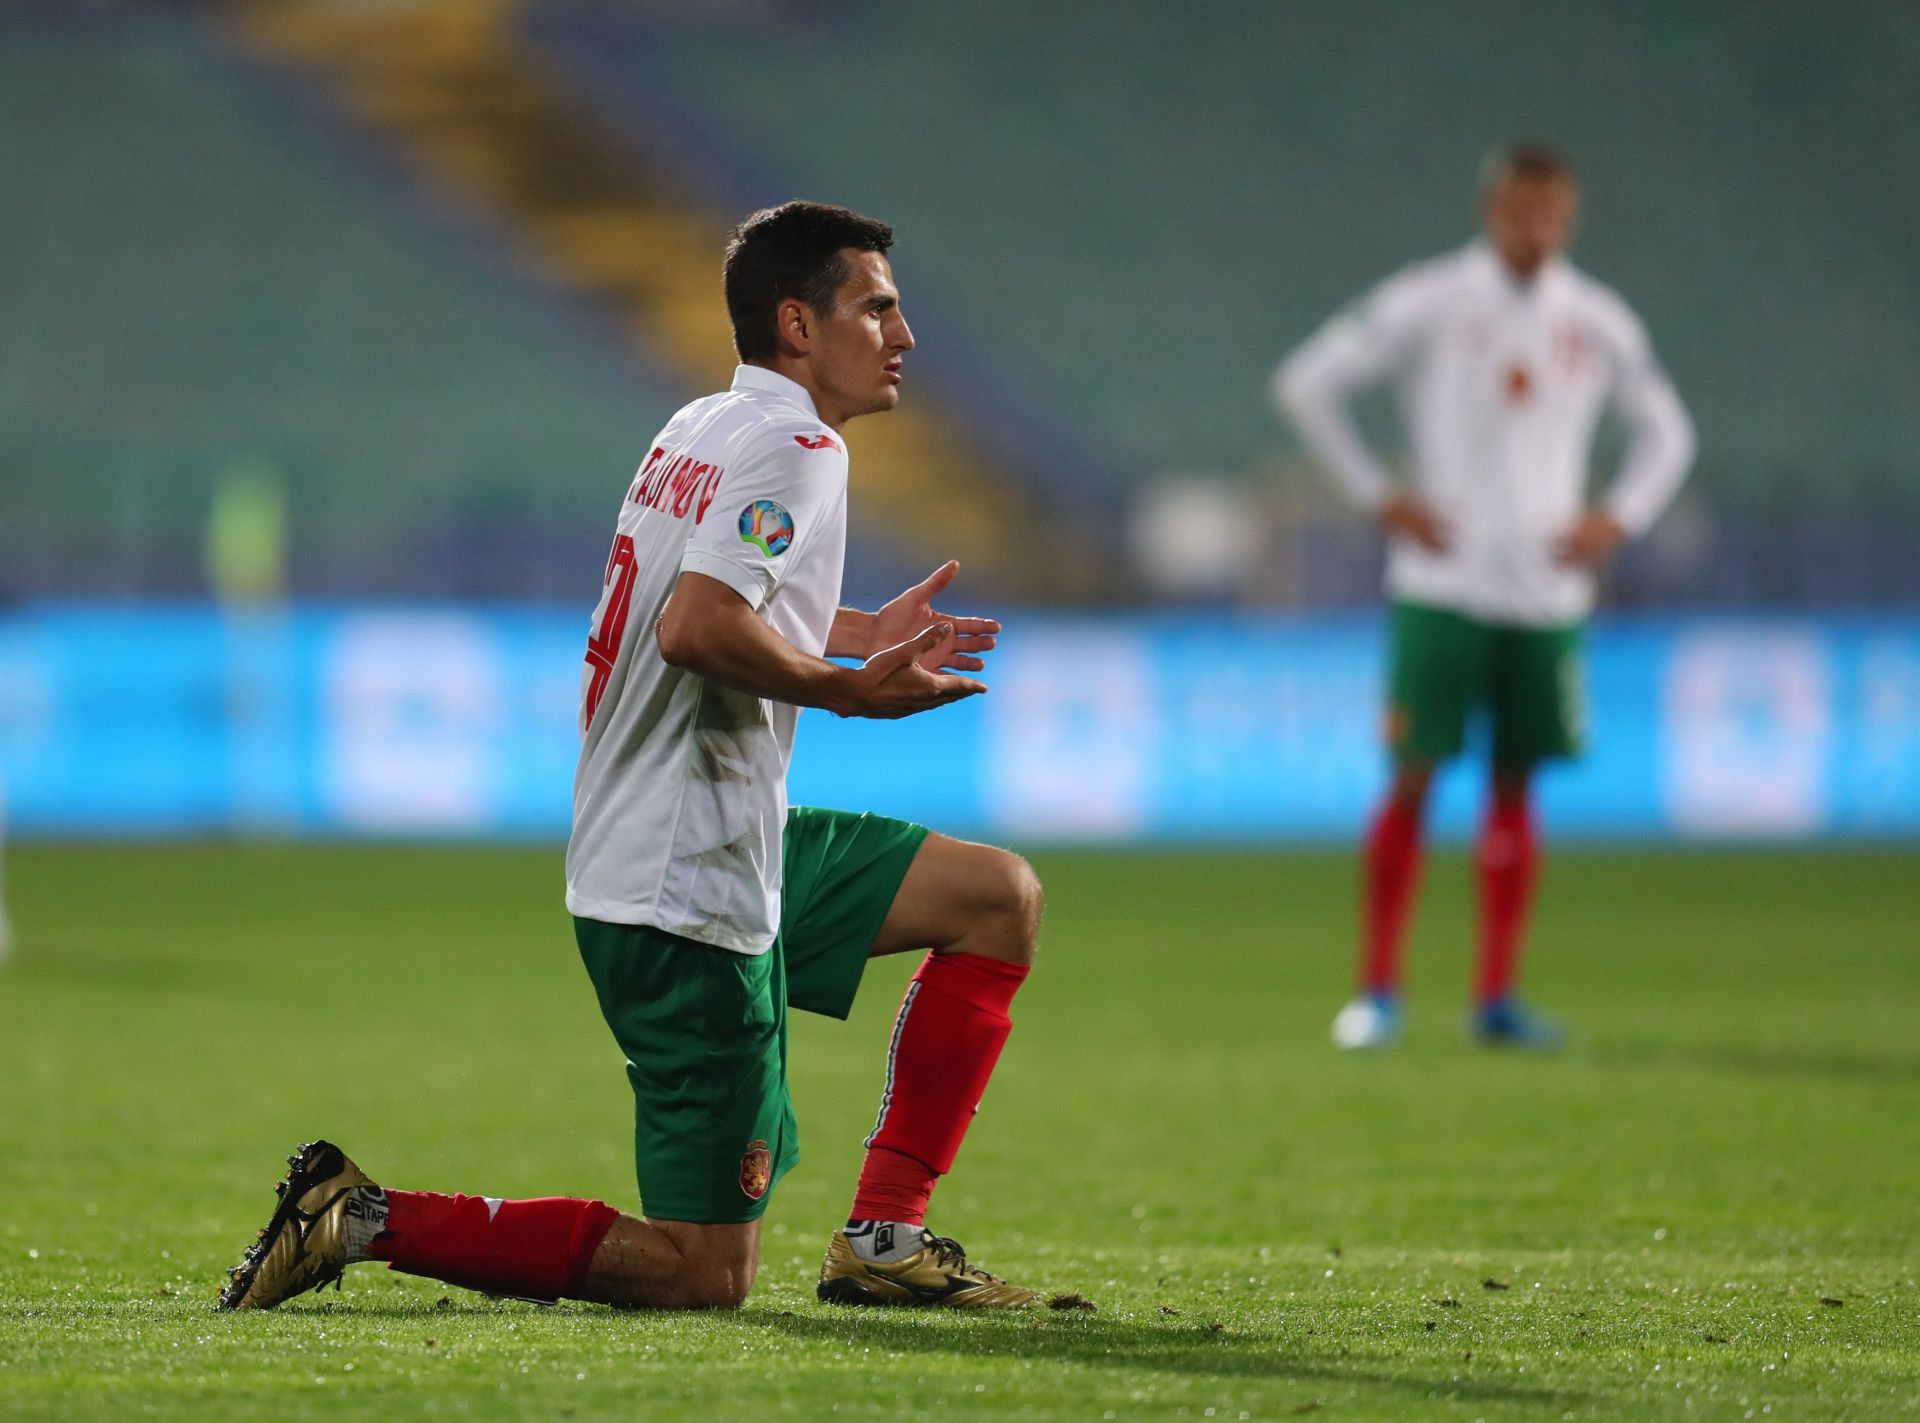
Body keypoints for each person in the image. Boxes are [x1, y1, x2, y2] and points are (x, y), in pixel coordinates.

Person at [220, 202, 1050, 1311]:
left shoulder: (703, 425)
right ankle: (359, 1216)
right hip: (686, 896)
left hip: (707, 847)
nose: (904, 335)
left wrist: (845, 628)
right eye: (879, 308)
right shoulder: (801, 451)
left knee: (997, 896)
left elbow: (706, 597)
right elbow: (696, 627)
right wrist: (848, 692)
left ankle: (886, 1236)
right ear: (799, 325)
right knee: (702, 1275)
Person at [1273, 143, 1694, 1051]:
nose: (1534, 225)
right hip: (1444, 583)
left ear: (1568, 214)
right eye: (1520, 207)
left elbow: (1669, 430)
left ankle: (1494, 994)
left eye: (1550, 210)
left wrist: (1616, 517)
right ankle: (1377, 990)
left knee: (1516, 784)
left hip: (1546, 592)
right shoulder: (1430, 300)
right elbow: (1306, 384)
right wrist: (1377, 497)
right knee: (1415, 775)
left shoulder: (1596, 320)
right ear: (1493, 207)